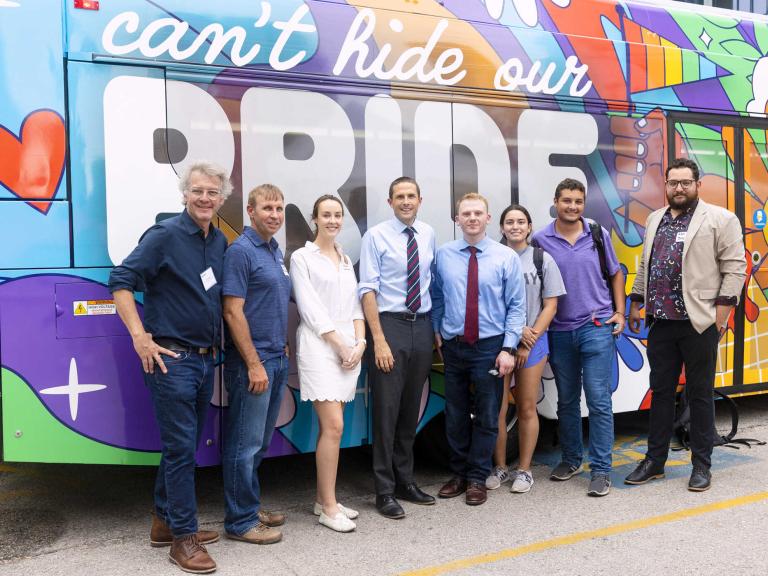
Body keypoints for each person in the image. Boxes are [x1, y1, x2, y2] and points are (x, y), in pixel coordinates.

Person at [109, 161, 230, 574]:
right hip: (171, 360)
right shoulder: (164, 236)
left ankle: (164, 522)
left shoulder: (218, 241)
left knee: (184, 447)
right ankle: (184, 539)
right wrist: (140, 337)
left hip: (202, 360)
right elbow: (121, 279)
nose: (204, 198)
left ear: (221, 198)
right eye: (197, 191)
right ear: (184, 194)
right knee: (181, 451)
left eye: (212, 192)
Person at [625, 158, 746, 492]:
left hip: (699, 323)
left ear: (697, 184)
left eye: (685, 183)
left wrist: (720, 317)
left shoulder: (720, 219)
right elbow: (646, 265)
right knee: (661, 394)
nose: (679, 188)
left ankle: (702, 465)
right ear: (665, 185)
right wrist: (637, 300)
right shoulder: (654, 219)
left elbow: (736, 268)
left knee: (700, 395)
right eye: (673, 183)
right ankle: (655, 461)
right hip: (661, 323)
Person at [531, 178, 626, 497]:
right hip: (558, 330)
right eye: (566, 200)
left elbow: (615, 272)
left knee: (599, 401)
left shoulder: (596, 234)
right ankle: (571, 459)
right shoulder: (540, 239)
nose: (572, 206)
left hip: (595, 327)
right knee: (567, 401)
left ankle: (601, 470)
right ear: (555, 202)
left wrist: (620, 312)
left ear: (583, 204)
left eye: (578, 201)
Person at [432, 193, 526, 506]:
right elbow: (438, 295)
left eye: (478, 213)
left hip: (491, 346)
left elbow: (516, 306)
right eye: (466, 213)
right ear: (457, 219)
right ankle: (459, 474)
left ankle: (477, 477)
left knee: (487, 415)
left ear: (487, 219)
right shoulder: (444, 255)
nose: (472, 218)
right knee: (455, 414)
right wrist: (438, 332)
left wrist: (508, 348)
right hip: (454, 346)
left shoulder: (505, 257)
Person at [358, 176, 436, 519]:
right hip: (389, 326)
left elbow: (432, 282)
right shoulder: (375, 236)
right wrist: (379, 340)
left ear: (420, 200)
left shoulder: (429, 234)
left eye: (411, 196)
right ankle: (384, 491)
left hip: (422, 324)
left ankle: (406, 481)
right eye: (399, 197)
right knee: (386, 413)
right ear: (390, 202)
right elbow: (367, 290)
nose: (406, 201)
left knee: (409, 411)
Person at [290, 195, 366, 532]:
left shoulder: (346, 260)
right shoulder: (302, 258)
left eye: (337, 215)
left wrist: (360, 344)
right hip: (320, 349)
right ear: (315, 219)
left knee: (332, 428)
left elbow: (355, 308)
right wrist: (340, 345)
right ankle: (329, 508)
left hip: (349, 351)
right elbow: (309, 309)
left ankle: (324, 499)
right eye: (326, 215)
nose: (333, 220)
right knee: (333, 426)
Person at [222, 184, 290, 544]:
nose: (275, 214)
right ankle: (240, 522)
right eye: (267, 208)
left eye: (279, 208)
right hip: (255, 363)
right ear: (250, 211)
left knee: (259, 444)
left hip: (276, 357)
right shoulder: (241, 251)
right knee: (243, 445)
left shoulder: (274, 250)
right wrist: (253, 362)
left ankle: (248, 506)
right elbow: (233, 311)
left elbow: (272, 304)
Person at [485, 205, 565, 494]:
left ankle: (525, 470)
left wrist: (529, 337)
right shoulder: (493, 257)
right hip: (501, 343)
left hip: (534, 342)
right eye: (510, 222)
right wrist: (517, 333)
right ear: (502, 227)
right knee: (498, 408)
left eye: (521, 221)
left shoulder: (542, 259)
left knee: (527, 406)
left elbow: (551, 304)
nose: (515, 226)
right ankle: (501, 467)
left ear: (530, 227)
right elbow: (489, 302)